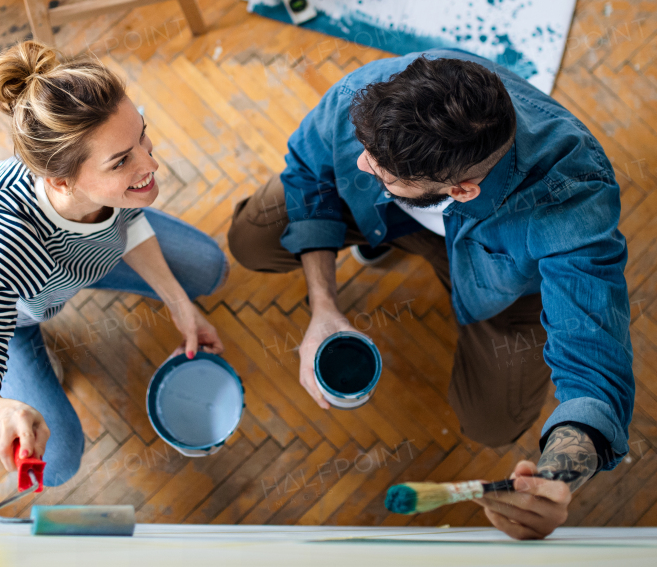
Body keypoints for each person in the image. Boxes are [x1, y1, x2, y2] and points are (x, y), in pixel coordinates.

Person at [227, 50, 634, 539]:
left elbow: (594, 372)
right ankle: (390, 231)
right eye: (366, 150)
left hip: (501, 285)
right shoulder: (374, 96)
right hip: (400, 212)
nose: (360, 163)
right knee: (250, 238)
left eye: (382, 173)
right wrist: (324, 306)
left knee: (493, 423)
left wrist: (554, 479)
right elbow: (310, 175)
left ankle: (397, 236)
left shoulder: (572, 195)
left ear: (462, 190)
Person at [0, 42, 227, 485]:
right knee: (56, 462)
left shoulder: (99, 175)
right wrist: (4, 410)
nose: (151, 162)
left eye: (142, 135)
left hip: (65, 270)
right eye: (123, 161)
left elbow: (129, 221)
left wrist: (177, 302)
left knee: (208, 269)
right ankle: (29, 363)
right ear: (60, 181)